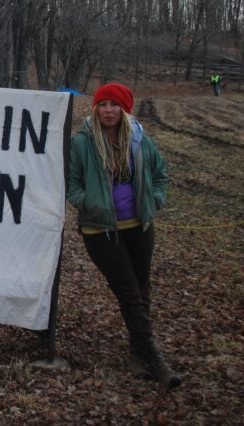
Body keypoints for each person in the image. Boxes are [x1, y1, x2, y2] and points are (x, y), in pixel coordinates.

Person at [67, 82, 182, 390]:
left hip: (139, 225)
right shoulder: (82, 142)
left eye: (114, 105)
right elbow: (71, 182)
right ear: (95, 108)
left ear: (124, 108)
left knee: (142, 289)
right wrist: (86, 201)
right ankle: (155, 358)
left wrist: (155, 199)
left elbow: (160, 174)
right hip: (100, 230)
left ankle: (136, 352)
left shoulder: (141, 140)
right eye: (103, 104)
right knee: (130, 292)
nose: (108, 110)